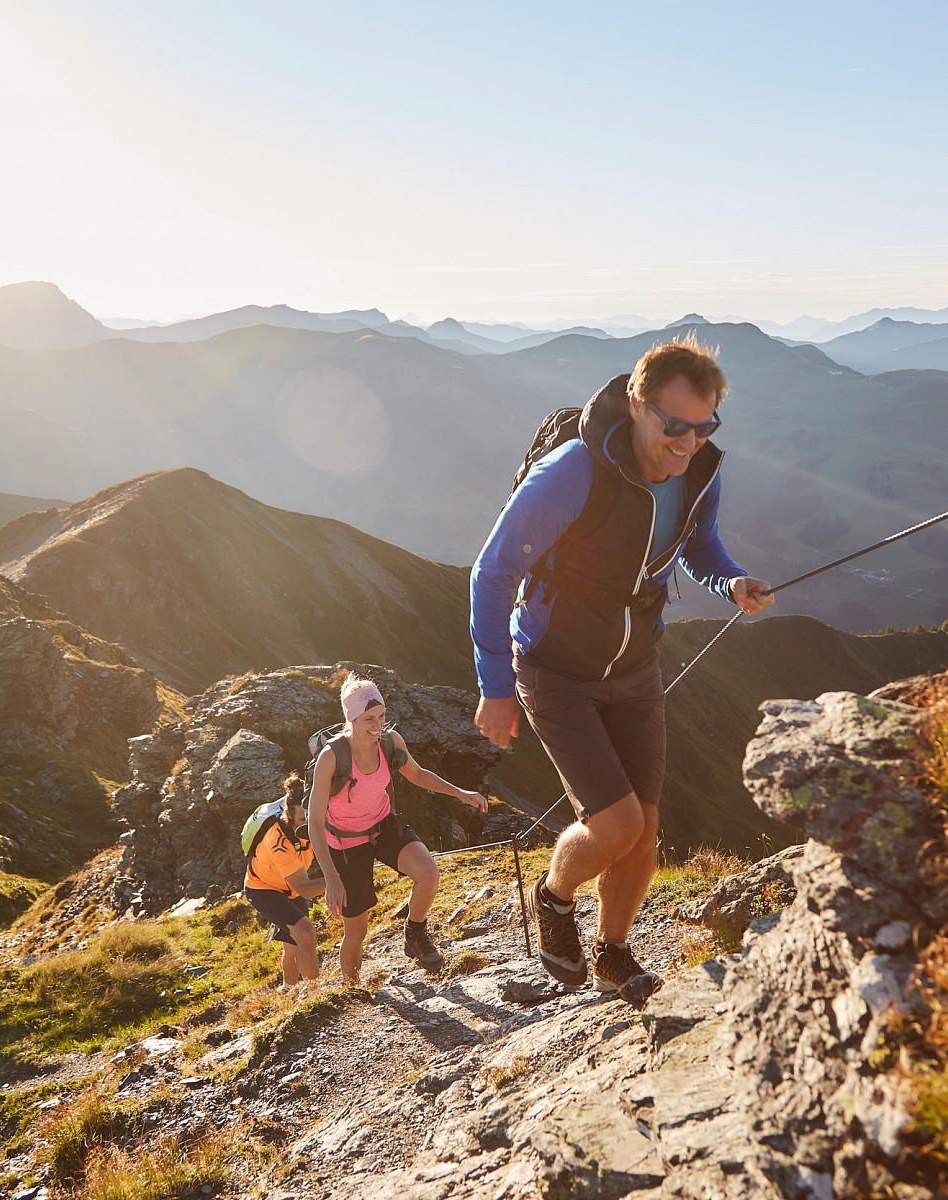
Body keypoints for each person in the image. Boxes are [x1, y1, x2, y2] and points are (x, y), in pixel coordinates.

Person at [470, 334, 774, 1004]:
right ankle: (553, 898)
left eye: (703, 427)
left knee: (645, 831)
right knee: (615, 826)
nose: (688, 442)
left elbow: (700, 548)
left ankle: (612, 952)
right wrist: (495, 688)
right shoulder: (572, 473)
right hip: (555, 668)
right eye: (674, 426)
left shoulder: (699, 469)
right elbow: (493, 574)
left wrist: (731, 584)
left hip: (635, 664)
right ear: (636, 403)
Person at [309, 675, 490, 986]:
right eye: (368, 719)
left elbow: (417, 774)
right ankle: (351, 991)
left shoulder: (391, 742)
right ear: (351, 718)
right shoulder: (332, 758)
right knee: (357, 930)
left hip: (383, 826)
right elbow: (313, 822)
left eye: (381, 716)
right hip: (345, 843)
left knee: (428, 873)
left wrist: (461, 793)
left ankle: (414, 935)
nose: (377, 725)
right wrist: (332, 878)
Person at [243, 782, 325, 989]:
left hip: (291, 886)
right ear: (288, 816)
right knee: (306, 934)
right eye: (300, 820)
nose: (307, 826)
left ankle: (288, 990)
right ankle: (315, 995)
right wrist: (341, 881)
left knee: (294, 945)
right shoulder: (277, 841)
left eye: (309, 818)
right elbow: (306, 888)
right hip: (264, 888)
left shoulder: (315, 822)